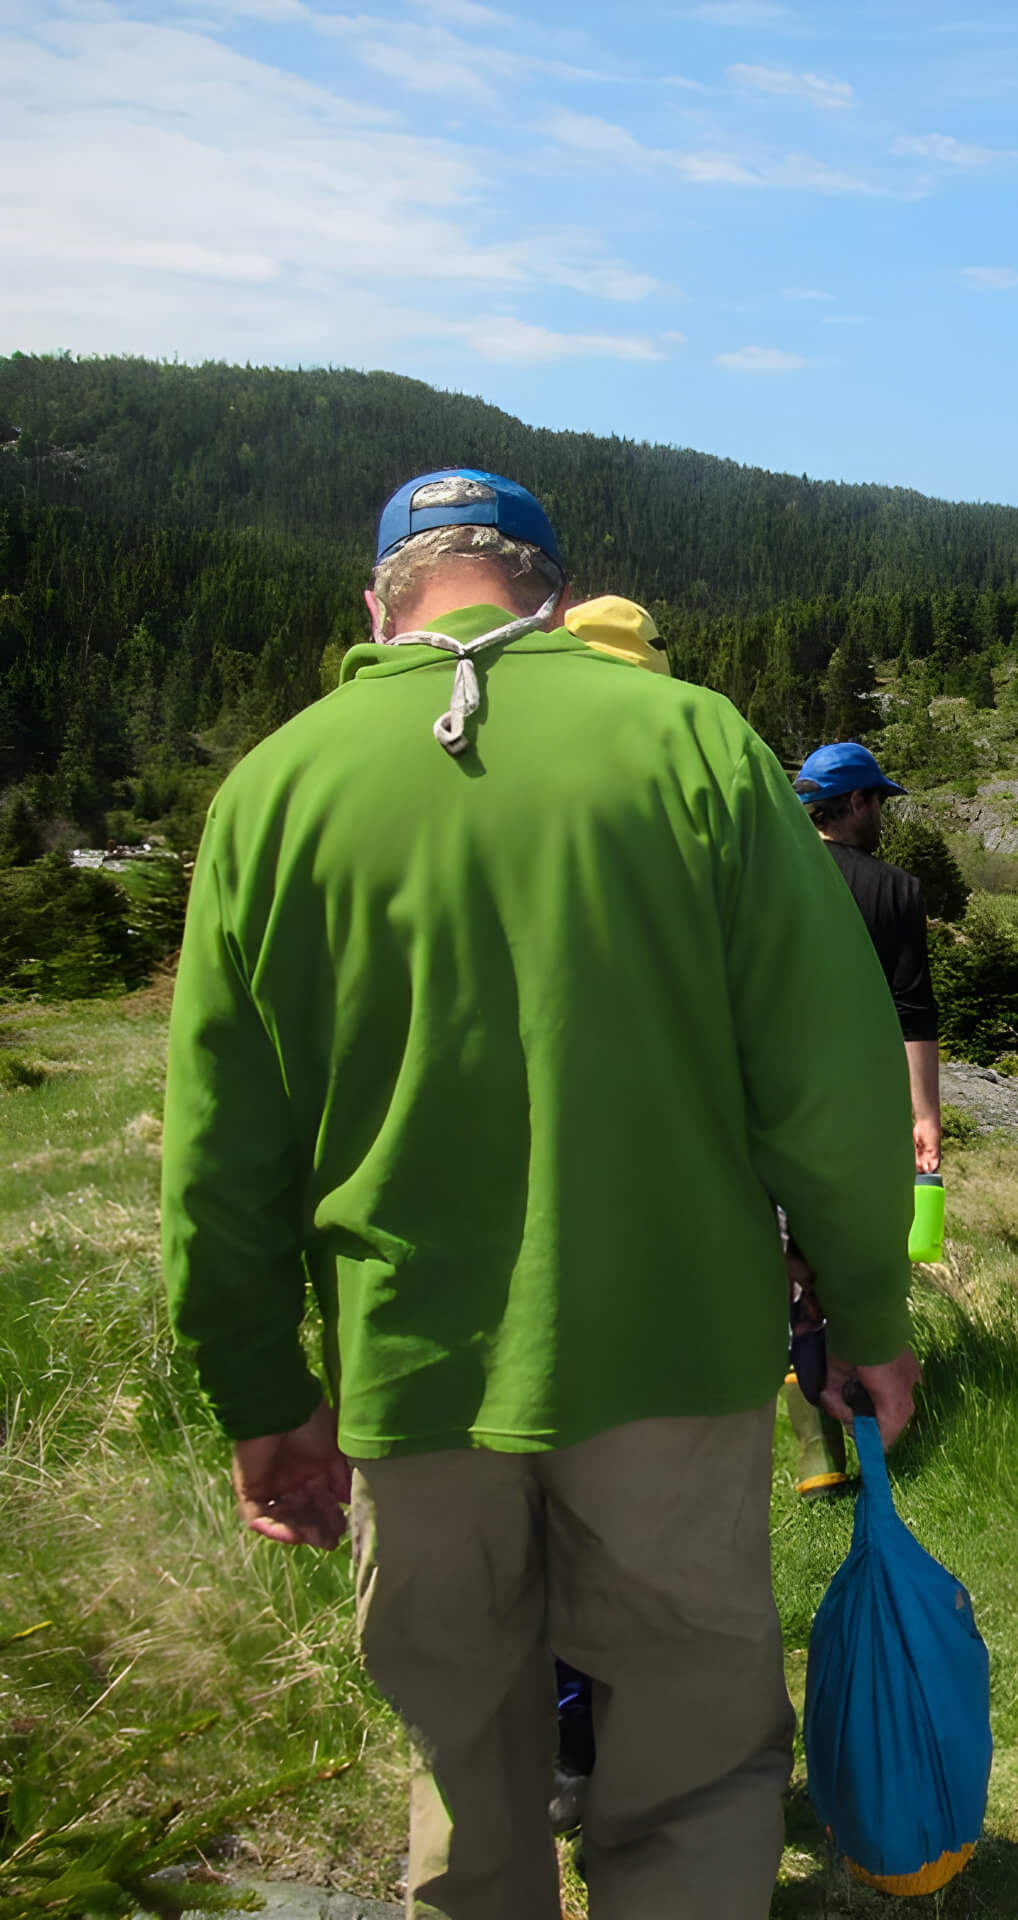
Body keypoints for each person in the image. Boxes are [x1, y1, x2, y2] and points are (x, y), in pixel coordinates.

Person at [161, 468, 919, 1920]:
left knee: (463, 1762)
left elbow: (219, 1155)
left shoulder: (274, 788)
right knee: (695, 1762)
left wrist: (263, 1395)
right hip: (675, 1362)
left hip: (406, 1373)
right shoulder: (694, 743)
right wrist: (869, 1314)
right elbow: (826, 1081)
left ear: (377, 605)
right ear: (555, 596)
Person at [780, 740, 942, 1499]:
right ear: (852, 804)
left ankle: (811, 1451)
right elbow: (914, 1012)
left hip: (772, 1097)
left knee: (785, 1261)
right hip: (861, 1104)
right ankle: (860, 1416)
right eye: (877, 798)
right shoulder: (895, 891)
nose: (882, 811)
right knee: (849, 1253)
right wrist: (925, 1113)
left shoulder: (764, 875)